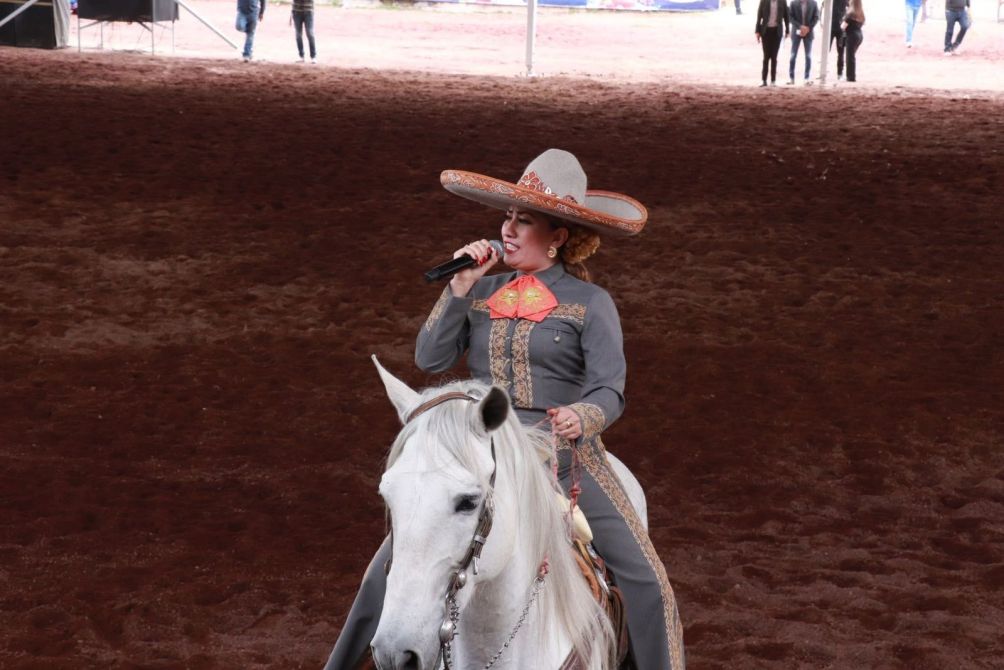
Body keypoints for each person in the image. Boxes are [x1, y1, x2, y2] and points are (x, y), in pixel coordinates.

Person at [323, 149, 686, 670]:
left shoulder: (591, 302)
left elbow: (611, 390)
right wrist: (460, 286)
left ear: (558, 236)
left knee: (649, 583)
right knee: (382, 571)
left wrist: (581, 417)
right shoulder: (481, 289)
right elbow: (431, 358)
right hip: (485, 444)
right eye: (508, 216)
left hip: (562, 454)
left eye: (526, 220)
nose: (509, 229)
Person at [755, 0, 790, 86]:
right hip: (766, 32)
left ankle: (773, 80)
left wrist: (787, 30)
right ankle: (763, 80)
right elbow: (759, 16)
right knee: (766, 57)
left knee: (774, 57)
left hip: (777, 32)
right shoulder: (764, 1)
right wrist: (757, 31)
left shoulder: (782, 2)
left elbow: (786, 16)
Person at [787, 0, 819, 85]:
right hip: (796, 31)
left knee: (808, 56)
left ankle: (806, 78)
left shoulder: (814, 3)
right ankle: (791, 78)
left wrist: (808, 28)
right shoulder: (793, 3)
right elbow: (790, 17)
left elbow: (816, 17)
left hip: (808, 32)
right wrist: (800, 26)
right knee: (793, 55)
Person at [841, 0, 865, 81]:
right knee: (852, 56)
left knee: (849, 57)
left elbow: (843, 27)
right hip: (859, 35)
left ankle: (850, 77)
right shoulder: (861, 14)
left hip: (851, 35)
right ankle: (851, 76)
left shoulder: (850, 14)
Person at [828, 0, 848, 79]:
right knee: (840, 52)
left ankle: (840, 73)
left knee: (840, 52)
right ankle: (839, 73)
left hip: (837, 28)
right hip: (835, 27)